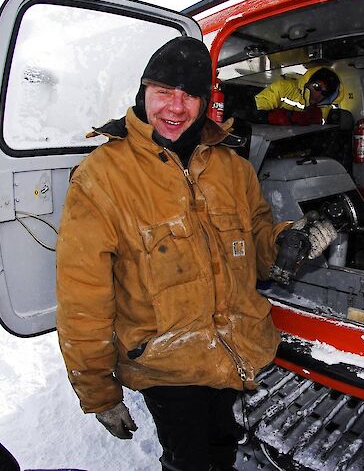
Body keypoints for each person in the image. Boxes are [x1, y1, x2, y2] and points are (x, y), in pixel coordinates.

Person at [55, 36, 337, 471]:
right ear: (142, 93)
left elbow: (257, 241)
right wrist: (98, 392)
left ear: (205, 102)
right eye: (163, 92)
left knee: (223, 446)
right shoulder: (101, 178)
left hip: (236, 351)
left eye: (190, 95)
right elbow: (82, 299)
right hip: (168, 366)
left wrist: (287, 240)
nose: (175, 107)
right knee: (188, 460)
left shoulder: (232, 167)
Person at [254, 66, 343, 126]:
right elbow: (256, 114)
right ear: (308, 82)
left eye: (325, 93)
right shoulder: (283, 88)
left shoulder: (324, 109)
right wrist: (286, 117)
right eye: (317, 86)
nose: (318, 94)